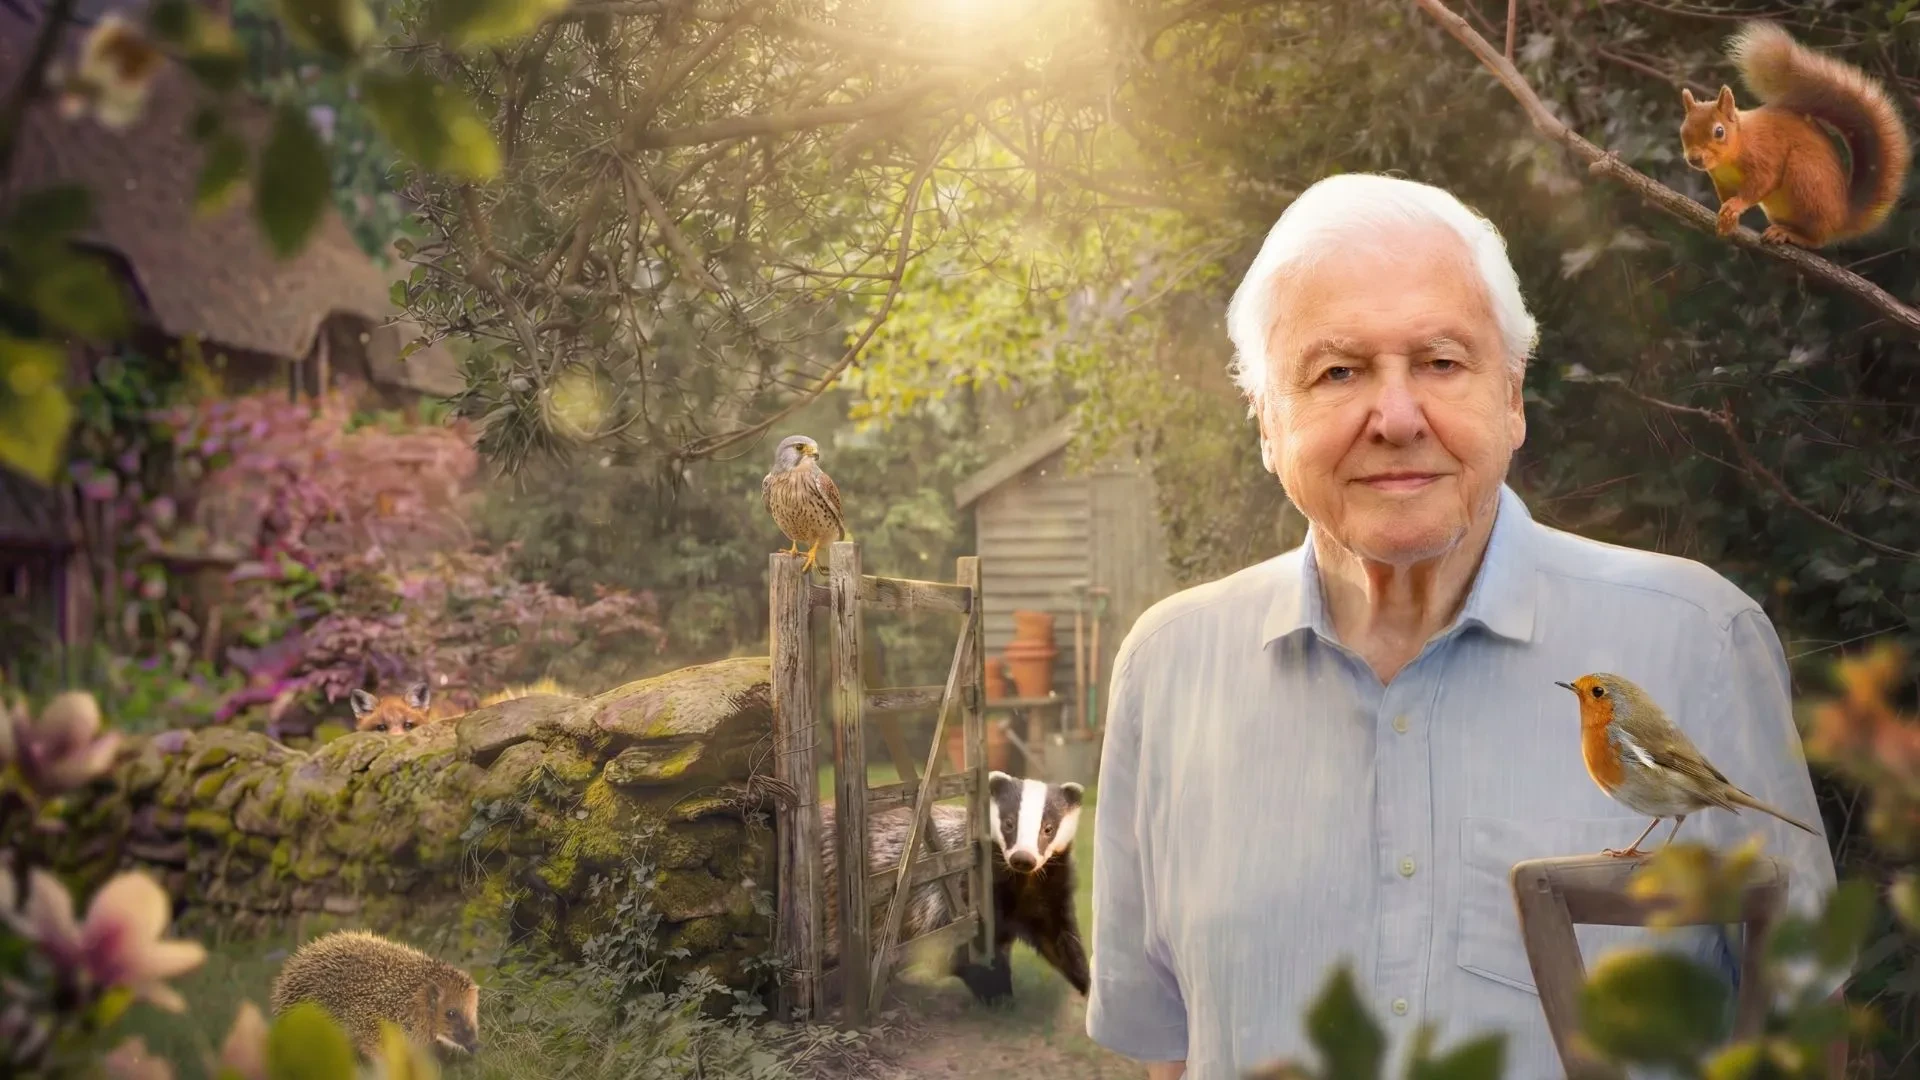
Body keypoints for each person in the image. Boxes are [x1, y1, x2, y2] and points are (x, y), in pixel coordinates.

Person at [1084, 173, 1840, 1080]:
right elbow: (1165, 1053)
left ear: (1513, 398)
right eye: (1337, 372)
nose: (1397, 418)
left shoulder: (1698, 640)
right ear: (1265, 424)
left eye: (1441, 362)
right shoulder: (1168, 668)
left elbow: (1803, 1033)